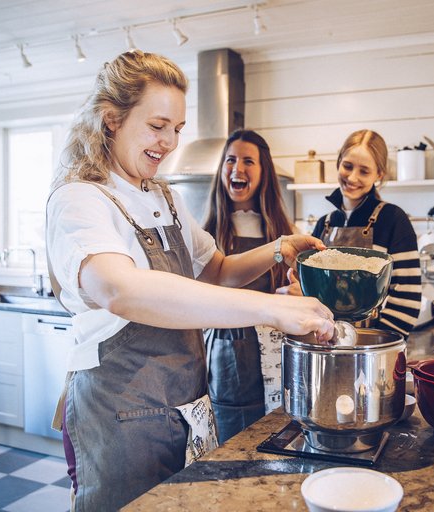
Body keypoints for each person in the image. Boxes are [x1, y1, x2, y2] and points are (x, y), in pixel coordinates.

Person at [45, 51, 334, 512]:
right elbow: (120, 289)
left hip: (184, 405)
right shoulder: (80, 199)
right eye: (158, 125)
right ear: (111, 119)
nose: (169, 142)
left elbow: (216, 269)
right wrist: (272, 308)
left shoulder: (164, 197)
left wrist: (280, 247)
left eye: (177, 129)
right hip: (120, 411)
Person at [202, 129, 295, 443]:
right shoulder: (207, 234)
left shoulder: (285, 232)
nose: (236, 168)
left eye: (248, 161)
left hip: (276, 354)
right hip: (226, 359)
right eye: (230, 160)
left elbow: (300, 292)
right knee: (233, 444)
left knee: (274, 439)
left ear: (263, 171)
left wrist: (294, 293)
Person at [286, 129, 422, 336]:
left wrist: (372, 345)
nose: (352, 177)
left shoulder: (393, 219)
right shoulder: (324, 224)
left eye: (364, 171)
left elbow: (407, 299)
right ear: (338, 163)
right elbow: (307, 288)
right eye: (347, 166)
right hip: (324, 341)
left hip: (372, 347)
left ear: (379, 174)